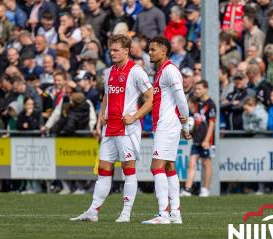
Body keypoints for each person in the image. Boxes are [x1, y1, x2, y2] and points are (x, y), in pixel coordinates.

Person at [70, 34, 153, 223]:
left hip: (127, 129)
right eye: (111, 50)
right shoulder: (108, 72)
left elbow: (151, 97)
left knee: (128, 170)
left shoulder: (136, 71)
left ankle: (126, 212)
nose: (112, 53)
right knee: (103, 170)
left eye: (116, 50)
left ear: (126, 50)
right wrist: (102, 113)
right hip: (110, 128)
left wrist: (135, 116)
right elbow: (107, 95)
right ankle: (93, 211)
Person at [141, 36, 189, 225]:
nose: (150, 53)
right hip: (166, 125)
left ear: (164, 51)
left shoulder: (169, 70)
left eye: (153, 50)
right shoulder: (161, 71)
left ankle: (163, 214)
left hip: (167, 125)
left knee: (156, 167)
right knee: (169, 167)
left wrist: (186, 125)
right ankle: (175, 214)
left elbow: (181, 99)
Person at [181, 80, 216, 197]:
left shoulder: (211, 104)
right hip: (196, 138)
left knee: (206, 163)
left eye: (199, 89)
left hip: (207, 140)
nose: (197, 91)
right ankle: (187, 189)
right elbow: (192, 119)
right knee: (191, 162)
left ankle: (205, 189)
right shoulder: (195, 102)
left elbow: (211, 124)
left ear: (206, 89)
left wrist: (207, 140)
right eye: (195, 89)